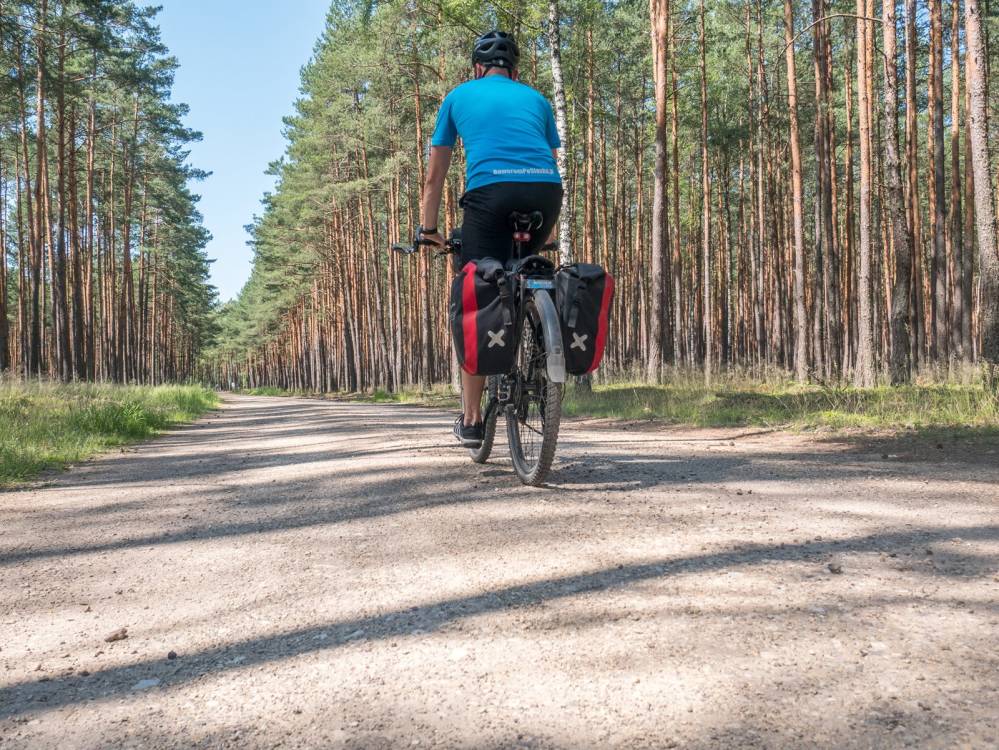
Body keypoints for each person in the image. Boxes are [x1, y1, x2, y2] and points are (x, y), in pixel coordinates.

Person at [419, 30, 564, 448]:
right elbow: (550, 164)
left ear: (477, 69)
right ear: (514, 71)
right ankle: (541, 359)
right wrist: (548, 233)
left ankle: (471, 419)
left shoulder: (457, 96)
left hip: (489, 195)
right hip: (545, 196)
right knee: (529, 269)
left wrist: (428, 231)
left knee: (478, 292)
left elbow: (435, 176)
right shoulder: (537, 100)